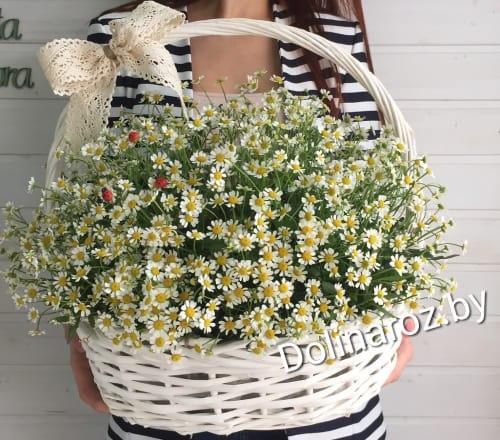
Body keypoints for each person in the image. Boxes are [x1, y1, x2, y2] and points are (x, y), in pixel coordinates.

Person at [65, 1, 414, 438]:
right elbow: (83, 202)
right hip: (164, 390)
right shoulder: (123, 38)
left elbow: (377, 205)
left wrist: (398, 325)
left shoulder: (331, 39)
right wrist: (77, 342)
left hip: (322, 396)